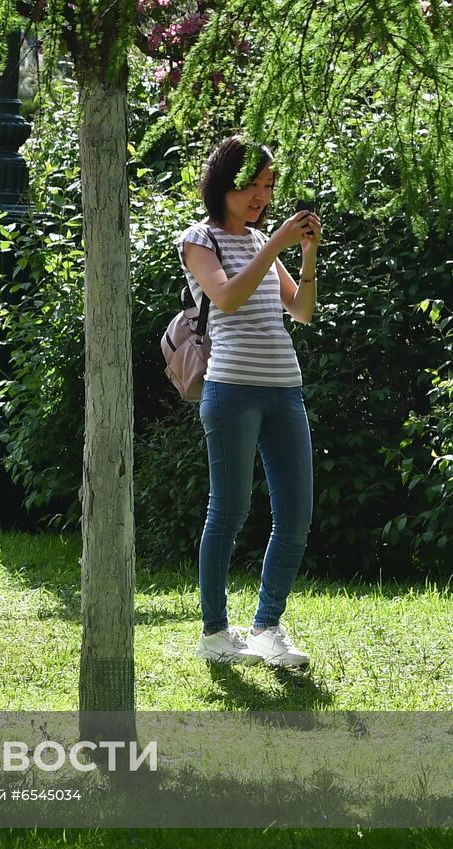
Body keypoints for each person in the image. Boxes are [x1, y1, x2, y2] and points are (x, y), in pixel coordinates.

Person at [181, 136, 321, 668]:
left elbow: (301, 312)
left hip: (284, 388)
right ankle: (215, 633)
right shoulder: (200, 238)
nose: (261, 196)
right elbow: (228, 298)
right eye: (251, 186)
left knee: (296, 513)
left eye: (267, 186)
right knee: (230, 510)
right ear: (225, 184)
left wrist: (305, 254)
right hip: (232, 389)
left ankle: (267, 628)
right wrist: (276, 245)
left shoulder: (264, 238)